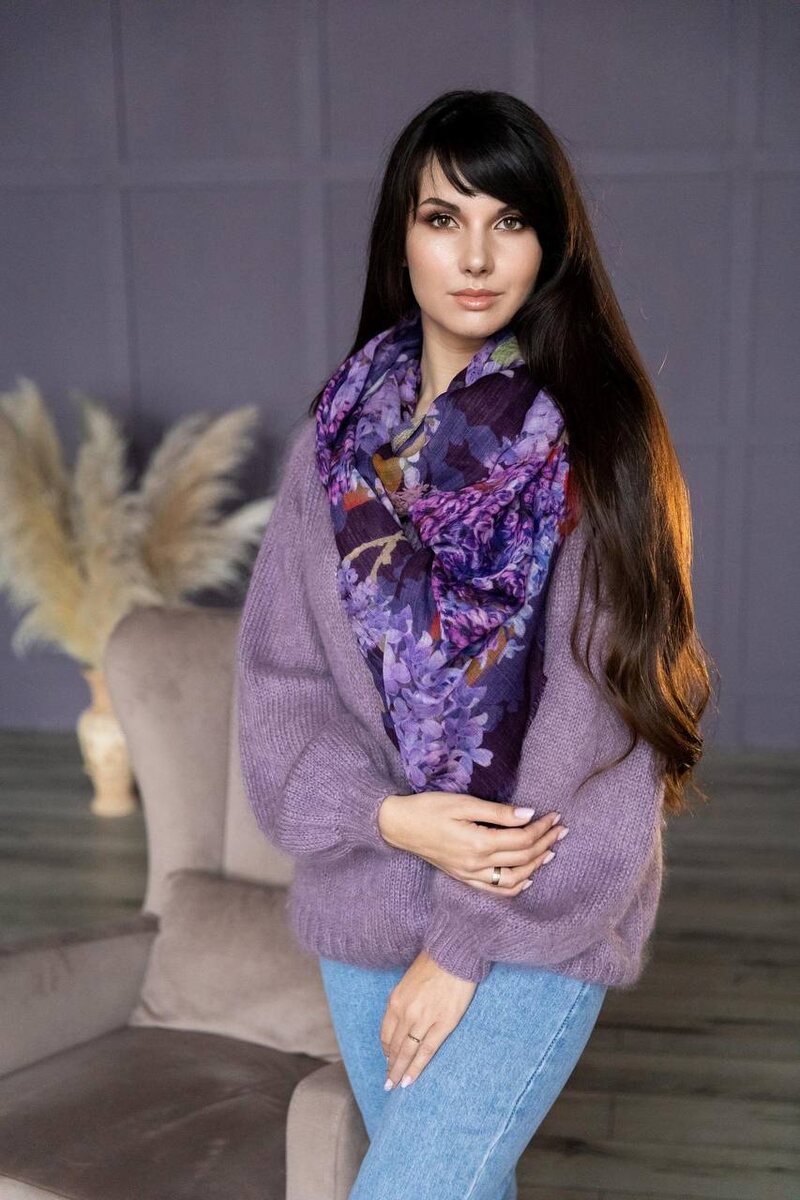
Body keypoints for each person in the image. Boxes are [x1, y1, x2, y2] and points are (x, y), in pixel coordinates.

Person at [236, 89, 714, 1200]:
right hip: (364, 903)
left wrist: (459, 944)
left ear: (550, 245)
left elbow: (598, 733)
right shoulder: (335, 445)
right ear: (400, 237)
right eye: (443, 218)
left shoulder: (601, 447)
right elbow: (279, 685)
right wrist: (386, 816)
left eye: (511, 220)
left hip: (535, 913)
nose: (477, 255)